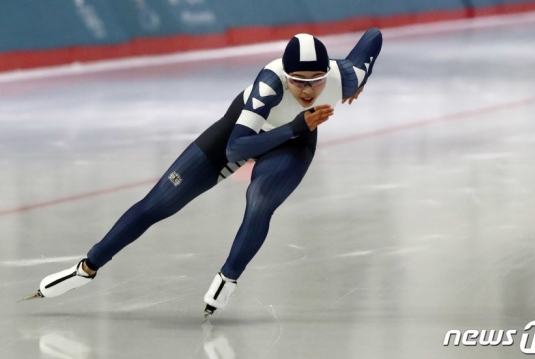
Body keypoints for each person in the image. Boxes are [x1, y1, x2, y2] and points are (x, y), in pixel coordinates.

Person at [23, 28, 383, 317]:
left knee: (259, 201)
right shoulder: (270, 84)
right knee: (157, 204)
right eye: (298, 80)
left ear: (328, 74)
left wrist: (361, 83)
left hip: (292, 144)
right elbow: (236, 149)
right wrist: (295, 125)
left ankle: (228, 277)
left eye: (316, 80)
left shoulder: (345, 77)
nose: (308, 90)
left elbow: (373, 37)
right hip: (243, 134)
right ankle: (86, 267)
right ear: (285, 75)